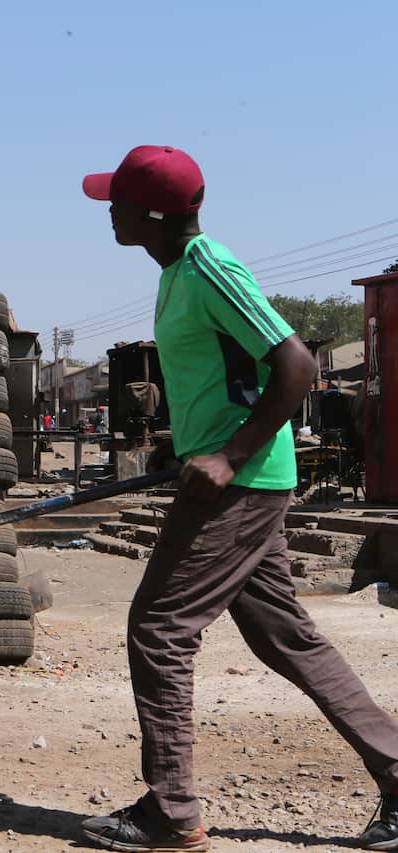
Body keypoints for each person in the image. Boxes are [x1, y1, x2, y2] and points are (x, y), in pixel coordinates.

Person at [76, 145, 398, 852]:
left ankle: (171, 811)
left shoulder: (210, 268)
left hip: (243, 485)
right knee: (286, 636)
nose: (109, 209)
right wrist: (182, 444)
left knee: (159, 626)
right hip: (238, 476)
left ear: (151, 214)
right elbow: (224, 379)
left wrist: (228, 455)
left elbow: (296, 364)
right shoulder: (173, 275)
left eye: (118, 200)